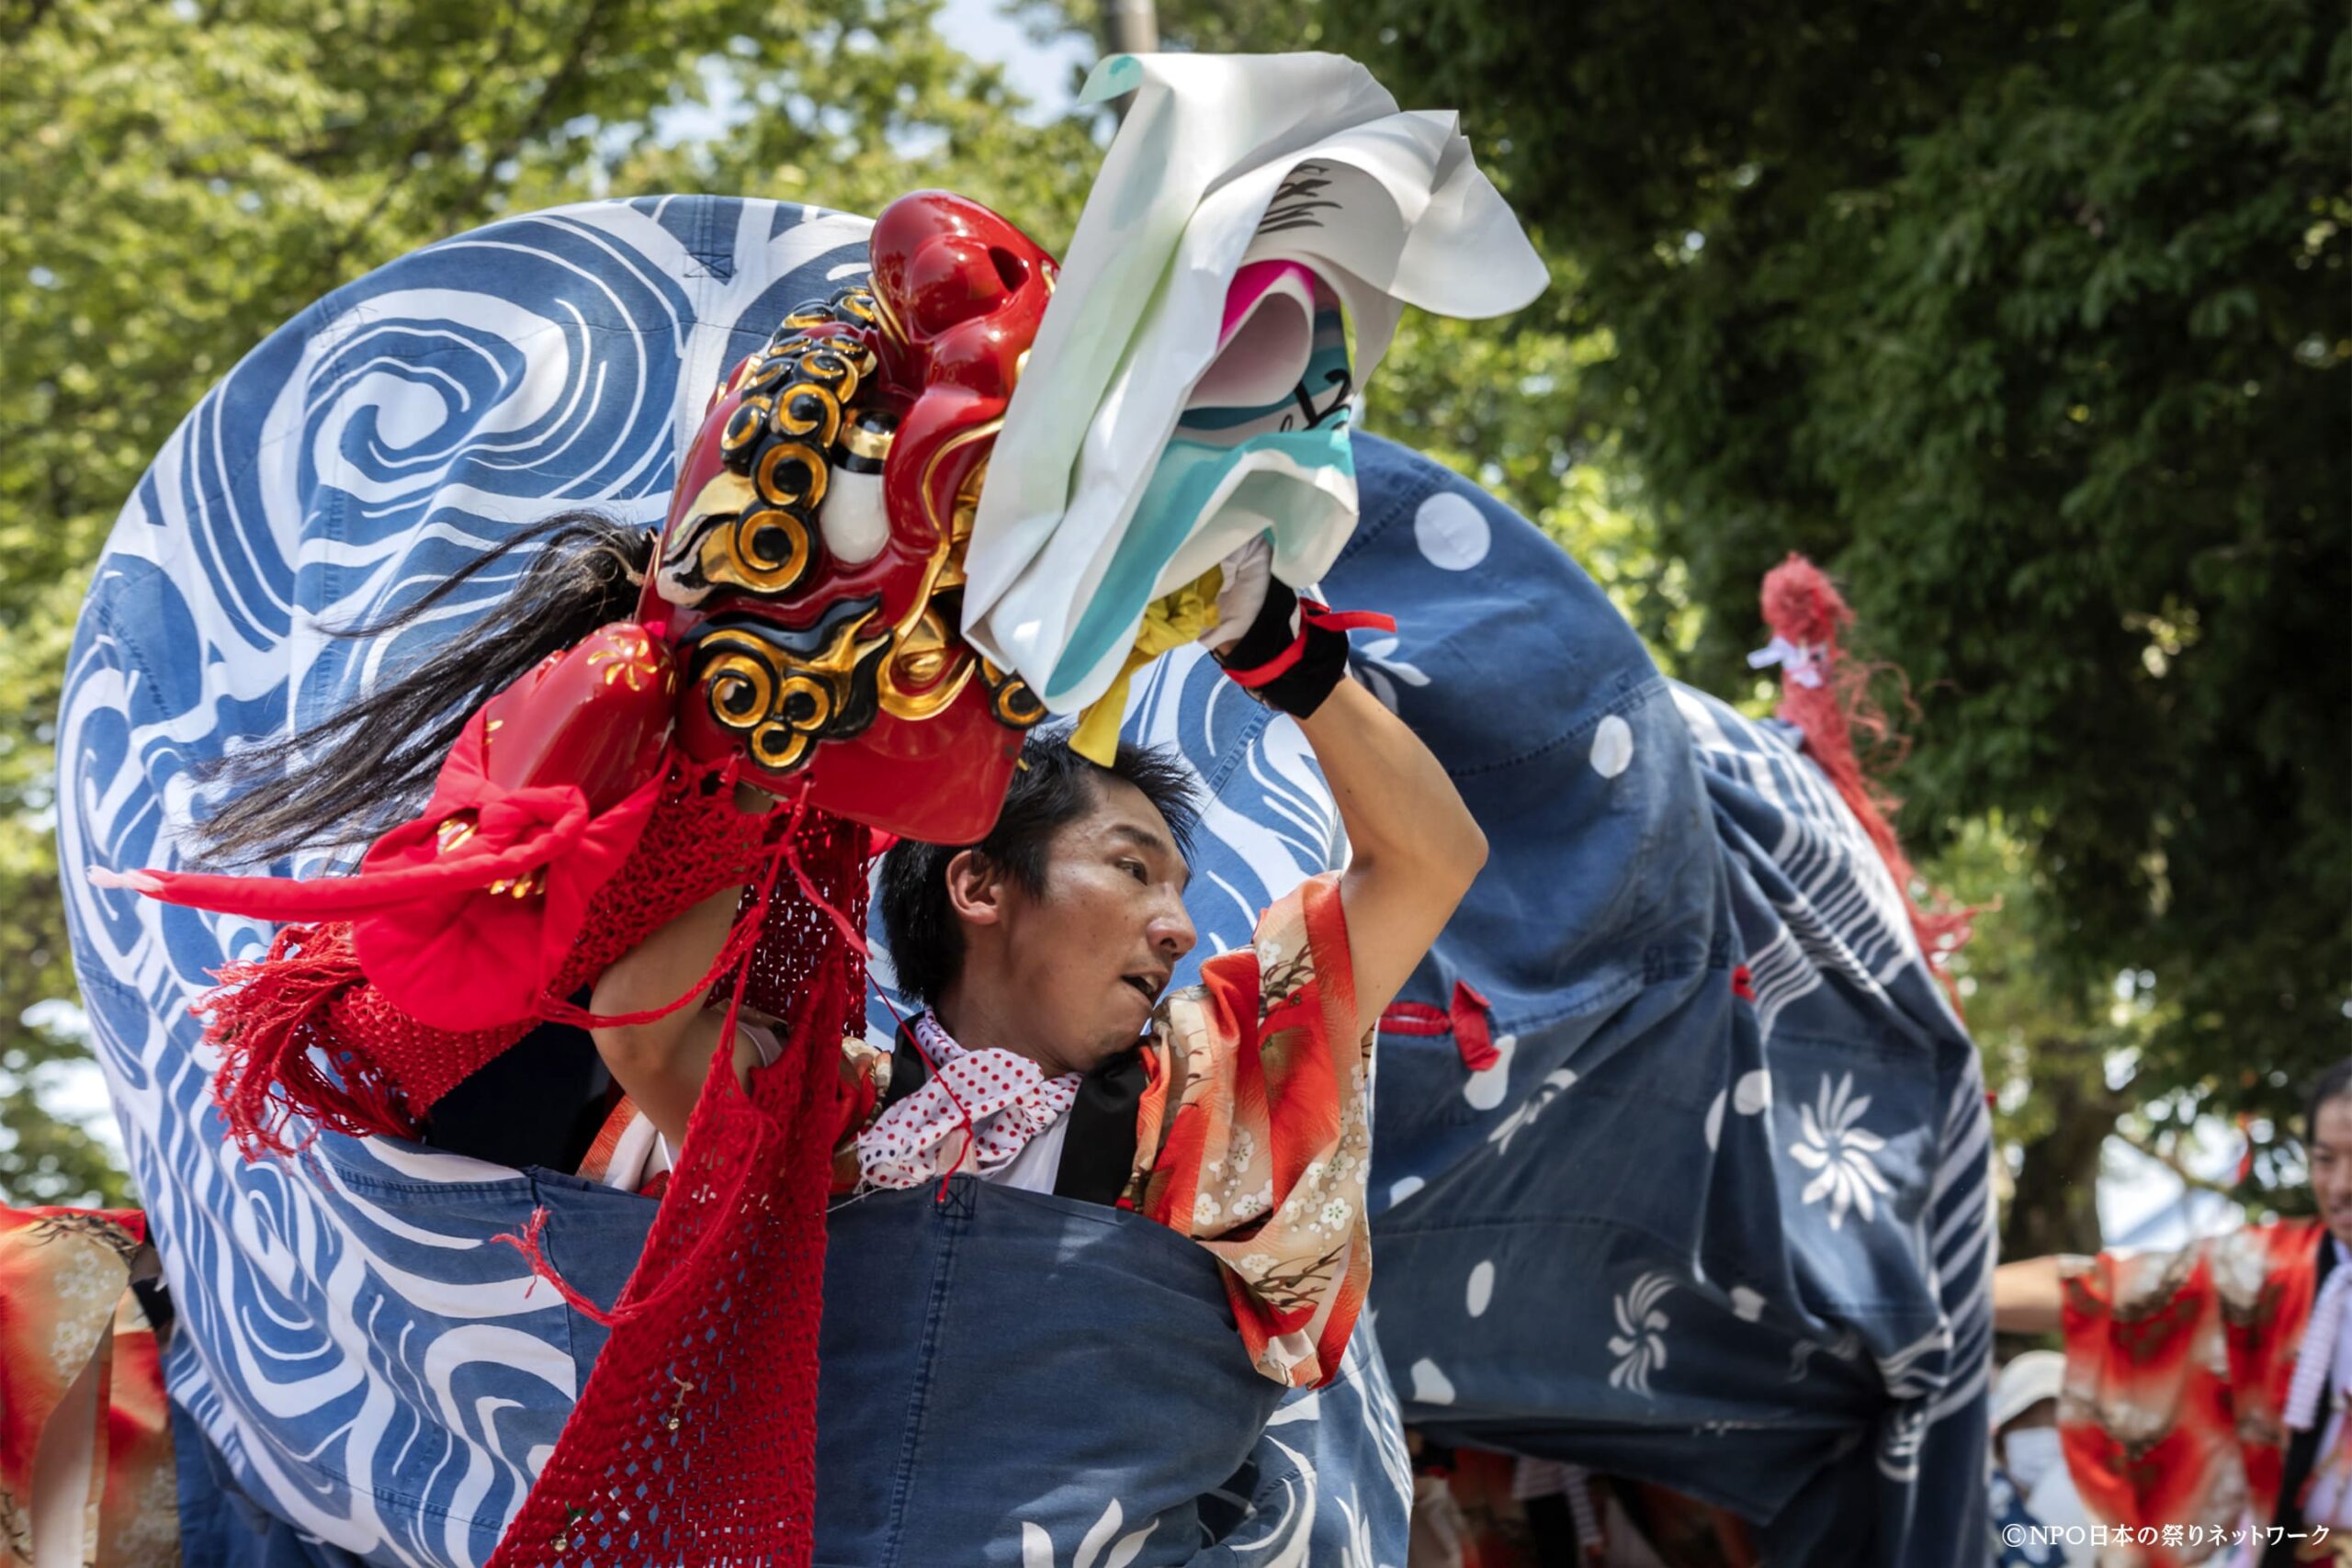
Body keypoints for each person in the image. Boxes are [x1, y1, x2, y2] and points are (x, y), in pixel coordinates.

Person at [587, 546, 1487, 1386]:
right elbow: (646, 1032)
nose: (1177, 928)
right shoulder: (832, 1105)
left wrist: (1275, 643)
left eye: (1178, 890)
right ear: (978, 884)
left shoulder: (1200, 1111)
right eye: (1132, 870)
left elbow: (1430, 862)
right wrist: (762, 724)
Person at [1992, 1060, 2352, 1566]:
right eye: (2325, 1159)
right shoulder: (2272, 1275)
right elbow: (2103, 1292)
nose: (2340, 1186)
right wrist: (1942, 1299)